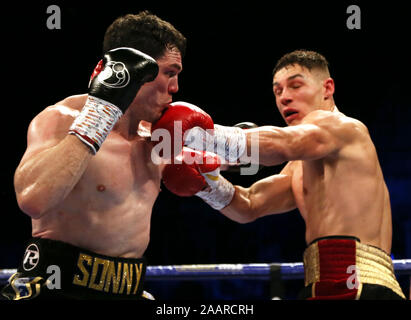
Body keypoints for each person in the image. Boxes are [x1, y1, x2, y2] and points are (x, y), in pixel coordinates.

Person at [157, 50, 406, 299]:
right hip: (322, 285)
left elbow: (281, 144)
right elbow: (250, 204)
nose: (285, 97)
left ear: (327, 89)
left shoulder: (345, 128)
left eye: (295, 86)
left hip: (362, 285)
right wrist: (207, 184)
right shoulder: (300, 165)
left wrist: (201, 135)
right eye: (278, 91)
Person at [1, 11, 186, 300]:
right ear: (135, 69)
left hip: (129, 287)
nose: (175, 88)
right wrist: (99, 117)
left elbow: (252, 156)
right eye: (170, 73)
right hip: (57, 286)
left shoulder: (158, 136)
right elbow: (32, 200)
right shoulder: (62, 119)